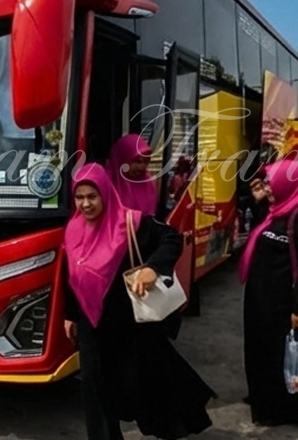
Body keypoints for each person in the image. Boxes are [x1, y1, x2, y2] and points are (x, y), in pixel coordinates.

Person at [62, 164, 215, 440]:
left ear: (106, 194)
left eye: (92, 197)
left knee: (141, 385)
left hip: (129, 325)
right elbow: (71, 275)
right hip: (91, 326)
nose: (85, 204)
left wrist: (152, 268)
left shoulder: (130, 222)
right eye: (79, 197)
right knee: (95, 391)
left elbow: (171, 238)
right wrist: (70, 314)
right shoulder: (74, 230)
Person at [239, 159, 298, 426]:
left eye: (271, 182)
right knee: (263, 352)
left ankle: (282, 411)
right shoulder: (278, 209)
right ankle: (265, 399)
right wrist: (259, 198)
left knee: (284, 356)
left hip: (285, 304)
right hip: (264, 300)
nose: (268, 188)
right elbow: (263, 232)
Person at [106, 134, 159, 217]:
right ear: (122, 160)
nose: (142, 167)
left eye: (145, 162)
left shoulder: (148, 183)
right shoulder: (106, 184)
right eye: (137, 162)